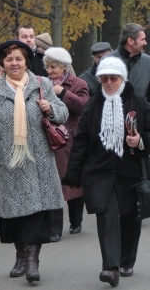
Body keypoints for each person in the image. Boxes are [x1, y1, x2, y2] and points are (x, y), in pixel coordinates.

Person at [63, 57, 150, 287]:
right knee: (106, 217)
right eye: (104, 78)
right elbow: (81, 142)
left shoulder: (137, 101)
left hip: (131, 171)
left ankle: (127, 259)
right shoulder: (93, 105)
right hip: (99, 172)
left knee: (129, 218)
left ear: (122, 79)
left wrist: (139, 140)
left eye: (113, 78)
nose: (109, 82)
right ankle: (110, 267)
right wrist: (72, 176)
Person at [0, 40, 68, 283]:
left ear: (26, 61)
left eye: (18, 58)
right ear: (2, 65)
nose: (14, 63)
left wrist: (50, 109)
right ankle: (20, 254)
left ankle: (32, 261)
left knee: (36, 214)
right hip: (10, 162)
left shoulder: (42, 84)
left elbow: (63, 113)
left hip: (38, 162)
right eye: (9, 59)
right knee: (14, 215)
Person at [43, 47, 90, 241]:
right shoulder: (42, 83)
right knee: (53, 184)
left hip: (70, 140)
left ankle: (76, 220)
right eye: (47, 67)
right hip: (49, 139)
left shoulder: (78, 83)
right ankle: (55, 229)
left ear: (64, 67)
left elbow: (83, 108)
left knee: (72, 182)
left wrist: (63, 93)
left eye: (53, 67)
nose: (50, 71)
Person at [106, 23, 150, 114]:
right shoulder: (108, 62)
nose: (145, 43)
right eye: (142, 39)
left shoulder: (149, 62)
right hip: (115, 121)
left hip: (142, 121)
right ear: (130, 41)